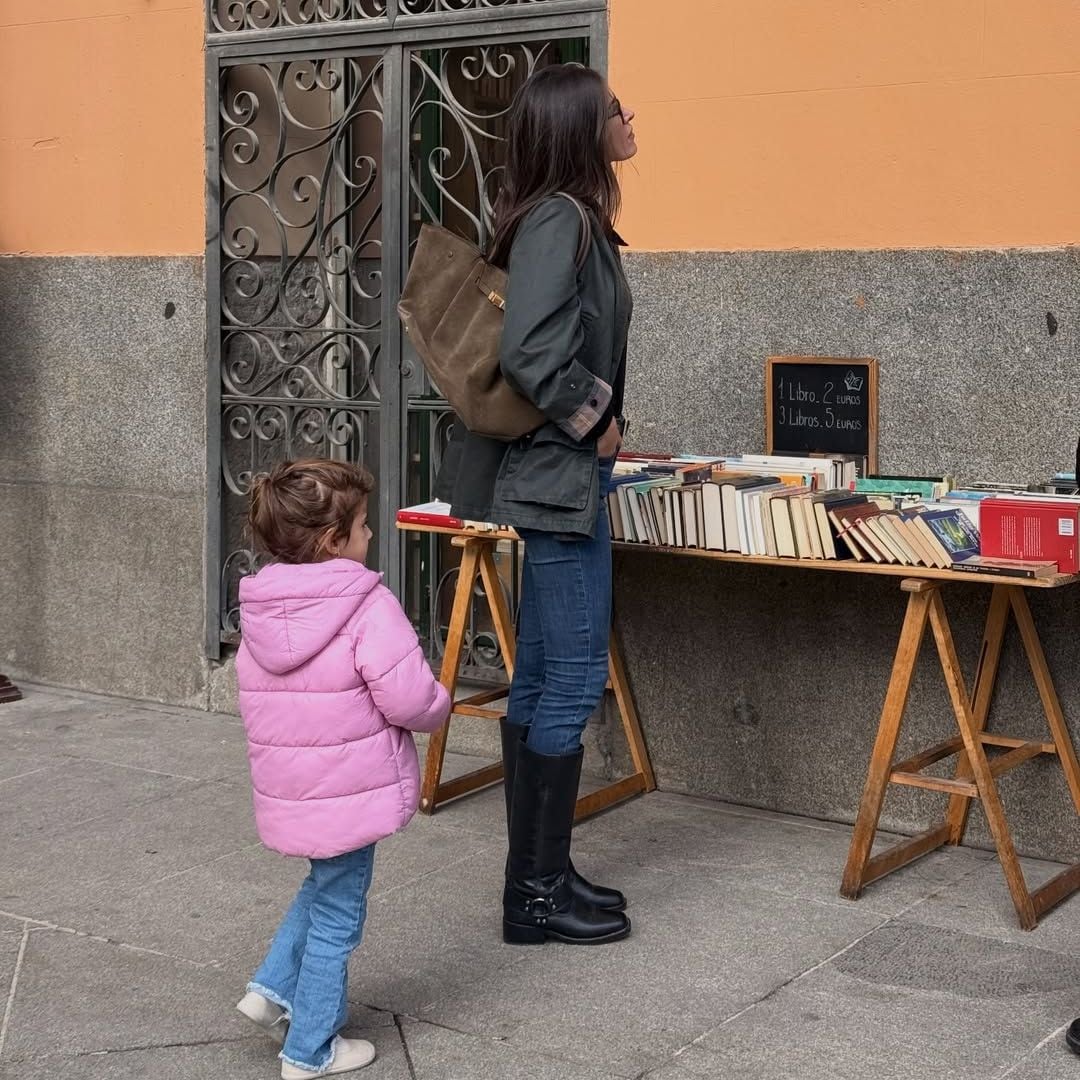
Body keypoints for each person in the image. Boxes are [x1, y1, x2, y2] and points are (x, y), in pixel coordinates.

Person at [435, 63, 638, 946]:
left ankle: (541, 878)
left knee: (543, 678)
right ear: (580, 127)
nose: (630, 119)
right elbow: (529, 352)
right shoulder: (562, 219)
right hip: (559, 481)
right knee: (568, 678)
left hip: (555, 480)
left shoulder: (570, 218)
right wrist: (595, 418)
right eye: (615, 110)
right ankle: (535, 896)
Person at [233, 459, 450, 1077]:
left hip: (293, 783)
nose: (370, 535)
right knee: (339, 914)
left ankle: (270, 990)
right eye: (361, 525)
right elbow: (408, 697)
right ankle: (310, 1050)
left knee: (323, 883)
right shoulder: (365, 604)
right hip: (351, 786)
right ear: (333, 541)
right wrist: (441, 705)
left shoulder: (262, 607)